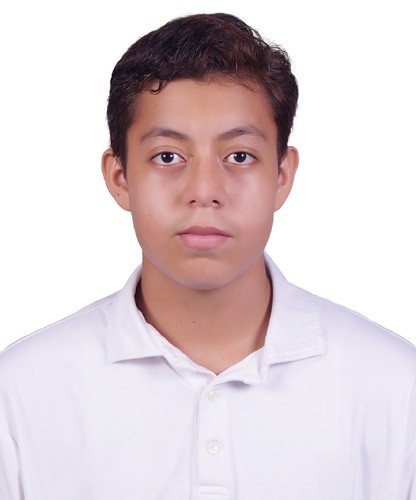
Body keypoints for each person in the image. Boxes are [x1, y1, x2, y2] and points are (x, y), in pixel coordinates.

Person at [0, 12, 415, 500]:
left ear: (282, 176)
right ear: (120, 177)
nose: (204, 191)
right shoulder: (21, 392)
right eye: (168, 157)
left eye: (239, 156)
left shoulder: (395, 387)